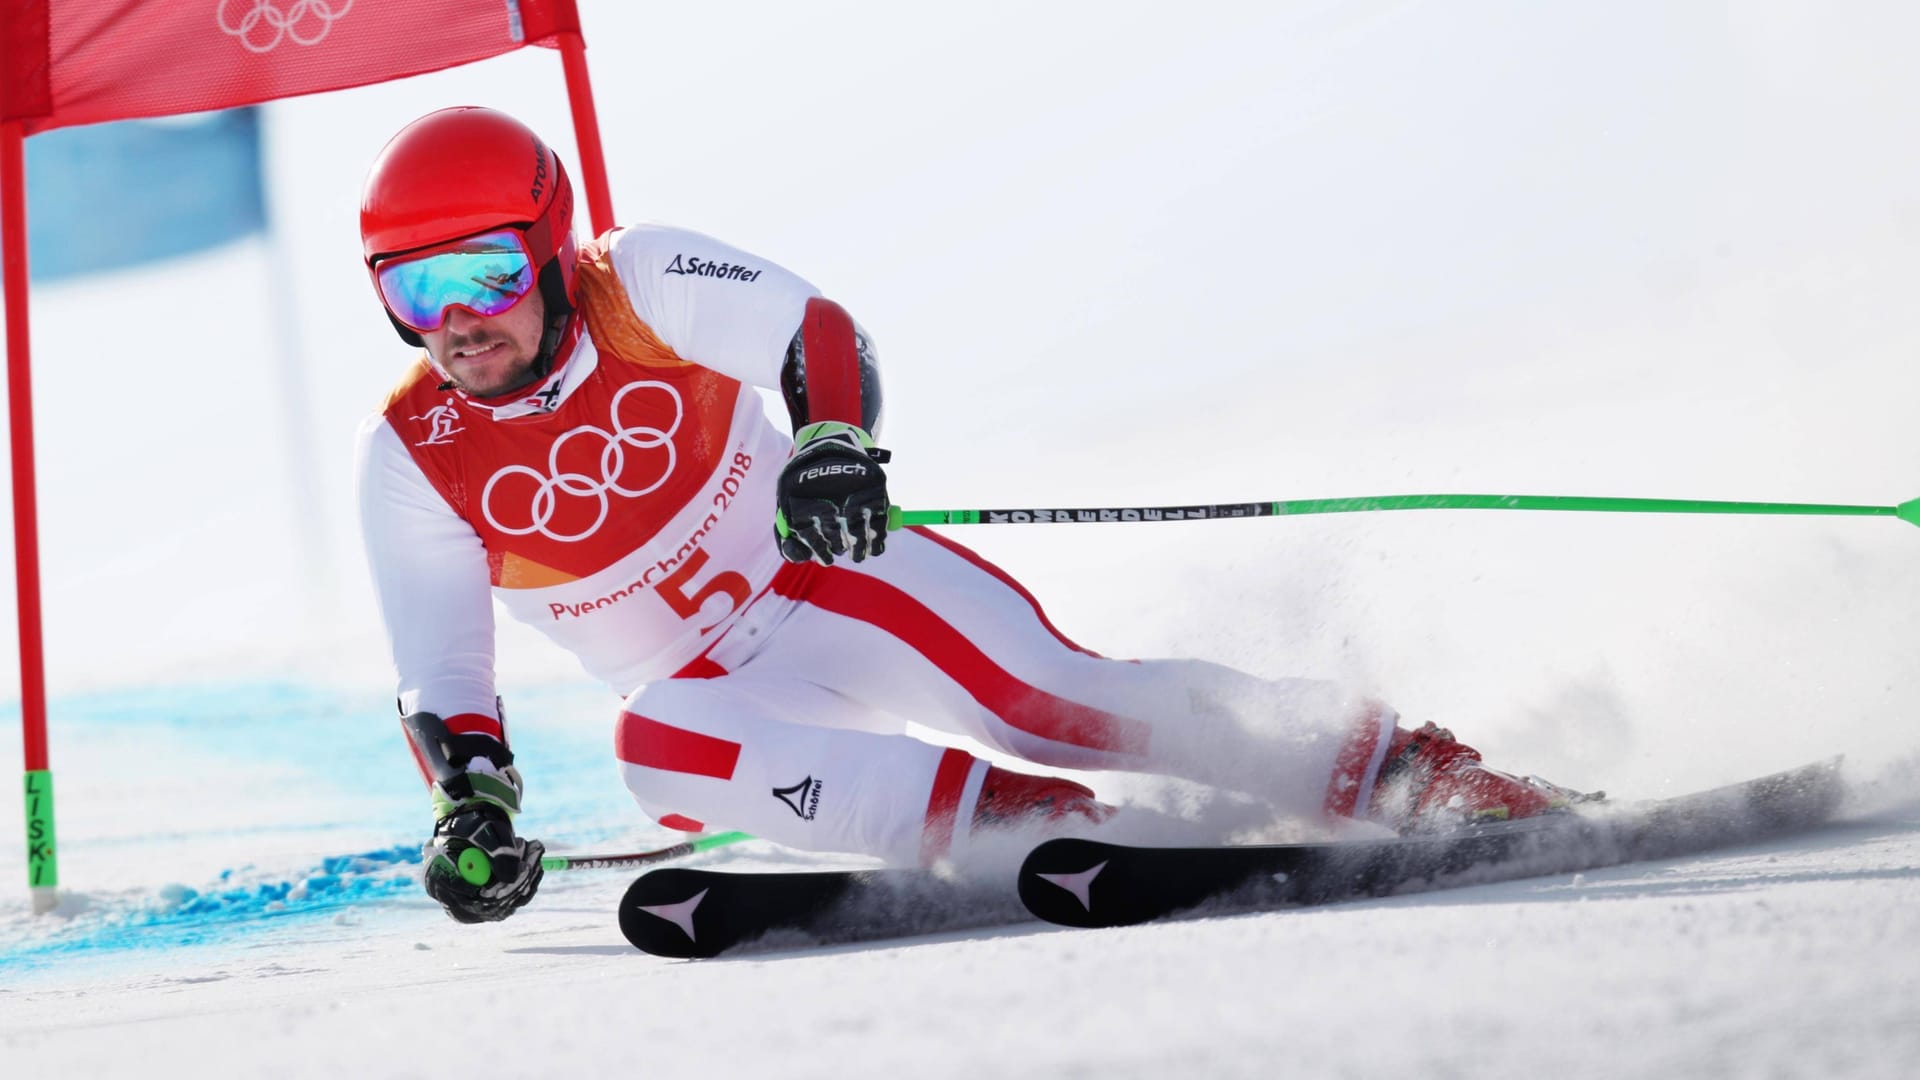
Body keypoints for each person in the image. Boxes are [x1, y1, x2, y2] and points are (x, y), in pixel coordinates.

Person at [354, 106, 1584, 924]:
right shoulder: (416, 452)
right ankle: (1020, 829)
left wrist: (832, 445)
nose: (457, 321)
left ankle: (1409, 771)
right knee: (651, 754)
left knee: (1043, 700)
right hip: (728, 703)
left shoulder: (639, 281)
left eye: (484, 273)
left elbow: (814, 333)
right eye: (413, 291)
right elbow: (443, 668)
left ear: (549, 243)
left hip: (825, 585)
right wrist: (475, 806)